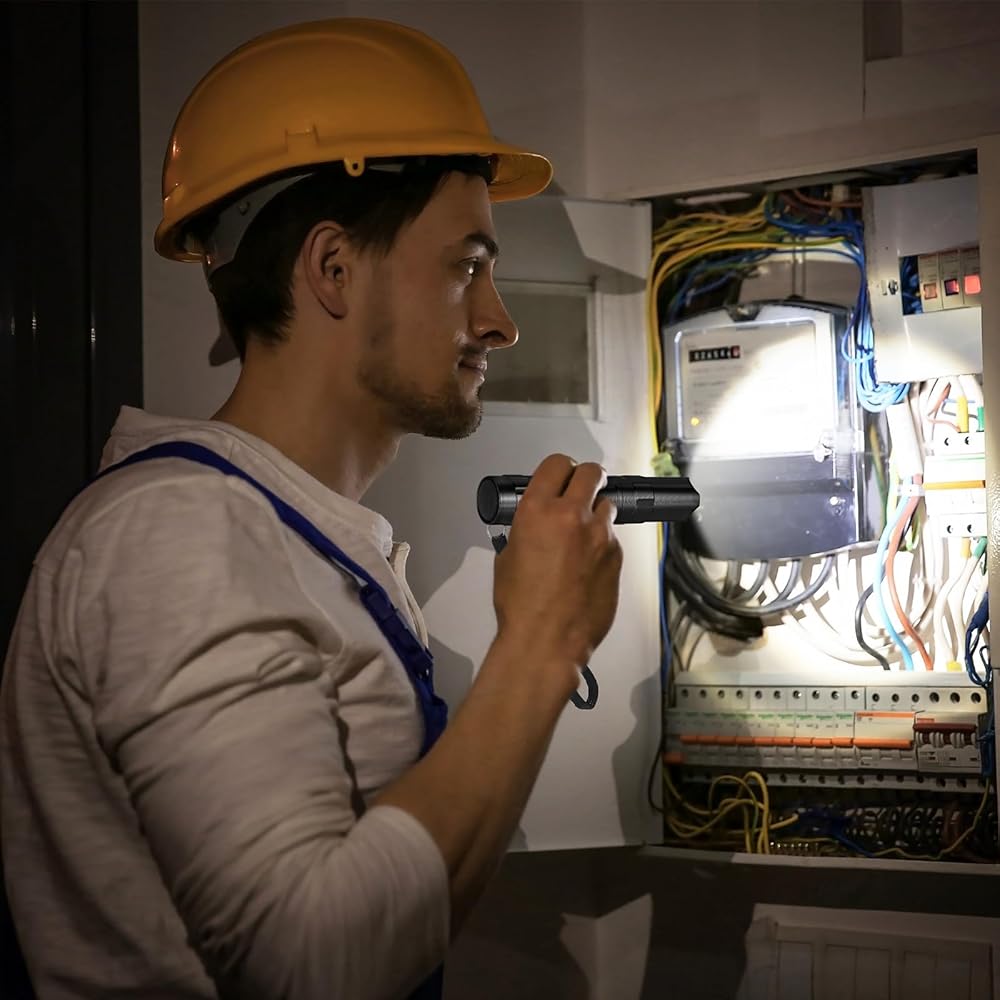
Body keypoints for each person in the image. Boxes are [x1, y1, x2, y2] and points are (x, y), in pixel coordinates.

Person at [0, 18, 622, 1000]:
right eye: (467, 265)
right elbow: (312, 962)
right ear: (333, 269)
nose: (498, 320)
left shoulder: (281, 535)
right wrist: (542, 642)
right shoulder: (173, 535)